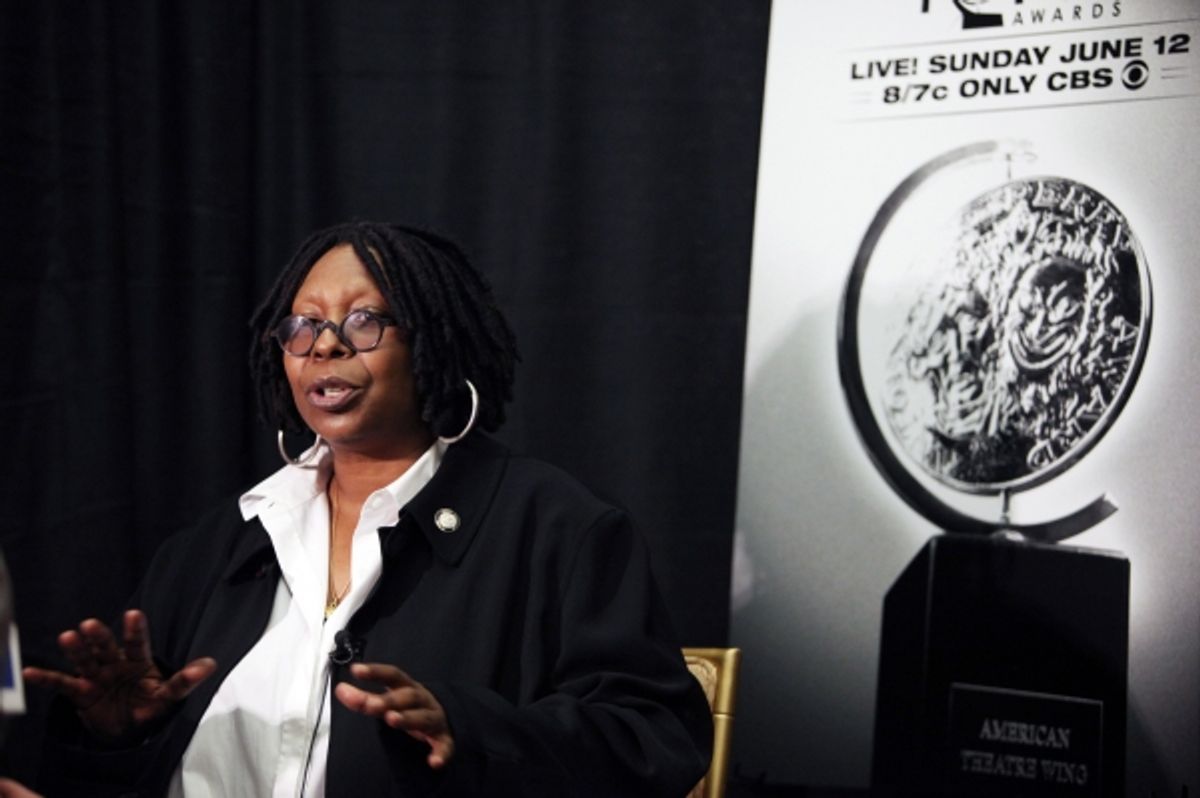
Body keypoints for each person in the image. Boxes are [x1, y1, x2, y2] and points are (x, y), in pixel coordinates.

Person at [23, 221, 712, 796]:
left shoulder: (559, 530)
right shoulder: (214, 548)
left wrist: (469, 729)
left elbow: (656, 740)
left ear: (435, 340)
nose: (325, 344)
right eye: (303, 326)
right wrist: (119, 735)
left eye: (364, 320)